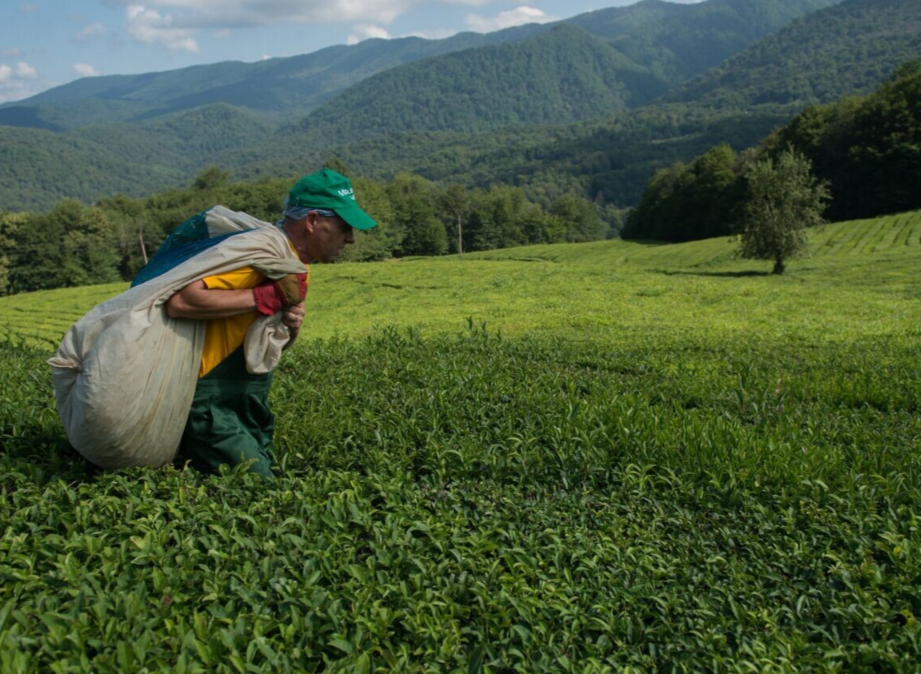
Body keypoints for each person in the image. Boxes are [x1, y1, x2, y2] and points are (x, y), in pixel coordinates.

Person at [164, 168, 376, 477]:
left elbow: (267, 340)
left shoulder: (291, 262)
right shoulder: (262, 251)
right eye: (344, 227)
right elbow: (182, 301)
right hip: (211, 403)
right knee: (259, 489)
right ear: (313, 221)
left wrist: (291, 325)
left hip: (247, 399)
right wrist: (265, 298)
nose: (352, 238)